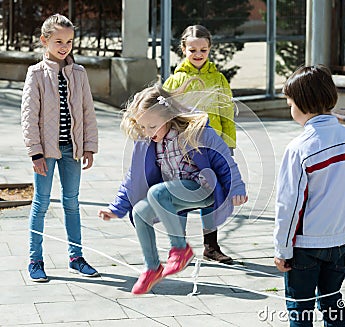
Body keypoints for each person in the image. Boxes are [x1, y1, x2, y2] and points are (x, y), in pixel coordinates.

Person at [98, 81, 247, 295]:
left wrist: (237, 187)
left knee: (157, 192)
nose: (148, 132)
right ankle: (152, 268)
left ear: (168, 117)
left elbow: (225, 160)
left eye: (152, 126)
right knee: (140, 212)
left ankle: (180, 249)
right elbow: (133, 176)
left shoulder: (196, 132)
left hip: (202, 189)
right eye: (142, 126)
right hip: (173, 193)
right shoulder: (146, 141)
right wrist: (117, 207)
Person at [273, 65, 345, 326]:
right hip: (339, 239)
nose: (290, 108)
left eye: (290, 102)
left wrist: (282, 248)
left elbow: (288, 205)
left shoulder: (299, 149)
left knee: (300, 308)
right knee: (332, 301)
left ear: (303, 104)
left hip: (305, 245)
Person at [21, 14, 99, 282]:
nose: (64, 46)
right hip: (45, 152)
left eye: (69, 41)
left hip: (72, 151)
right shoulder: (36, 74)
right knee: (41, 203)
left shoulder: (79, 73)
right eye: (58, 41)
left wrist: (89, 146)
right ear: (44, 41)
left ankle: (76, 258)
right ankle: (35, 260)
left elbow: (88, 112)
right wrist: (35, 152)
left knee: (72, 203)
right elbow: (29, 116)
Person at [163, 24, 236, 263]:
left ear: (210, 49)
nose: (198, 54)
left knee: (212, 195)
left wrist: (229, 145)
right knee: (180, 197)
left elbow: (227, 114)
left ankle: (211, 246)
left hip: (213, 150)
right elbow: (165, 116)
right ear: (183, 48)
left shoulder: (218, 79)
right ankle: (178, 248)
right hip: (183, 150)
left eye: (203, 49)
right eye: (193, 49)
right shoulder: (174, 81)